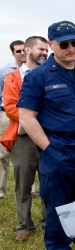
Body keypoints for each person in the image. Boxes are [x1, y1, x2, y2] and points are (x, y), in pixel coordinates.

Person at [17, 21, 75, 250]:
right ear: (51, 45)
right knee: (59, 210)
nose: (71, 48)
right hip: (59, 153)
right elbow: (27, 118)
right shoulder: (38, 77)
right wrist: (50, 149)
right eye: (64, 43)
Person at [1, 36, 48, 242]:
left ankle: (50, 222)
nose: (45, 53)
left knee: (49, 181)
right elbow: (10, 106)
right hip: (23, 137)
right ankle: (24, 224)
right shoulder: (13, 77)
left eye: (47, 50)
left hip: (48, 136)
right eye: (41, 49)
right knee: (23, 183)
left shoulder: (50, 75)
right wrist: (33, 119)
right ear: (27, 51)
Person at [0, 40, 25, 200]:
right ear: (13, 53)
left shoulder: (35, 70)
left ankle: (30, 189)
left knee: (28, 154)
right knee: (3, 156)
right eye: (18, 51)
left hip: (27, 116)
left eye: (24, 50)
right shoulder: (5, 70)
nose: (22, 53)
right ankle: (1, 192)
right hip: (7, 115)